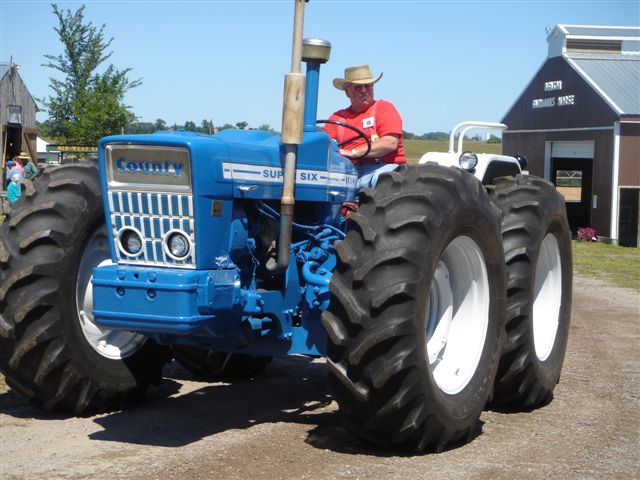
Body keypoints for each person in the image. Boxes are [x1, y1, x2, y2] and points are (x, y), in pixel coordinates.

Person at [324, 64, 406, 189]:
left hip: (381, 168)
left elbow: (389, 143)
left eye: (368, 86)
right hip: (347, 171)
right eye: (358, 87)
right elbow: (325, 145)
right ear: (347, 92)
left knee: (384, 180)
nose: (364, 90)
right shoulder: (337, 118)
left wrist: (353, 153)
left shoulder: (384, 108)